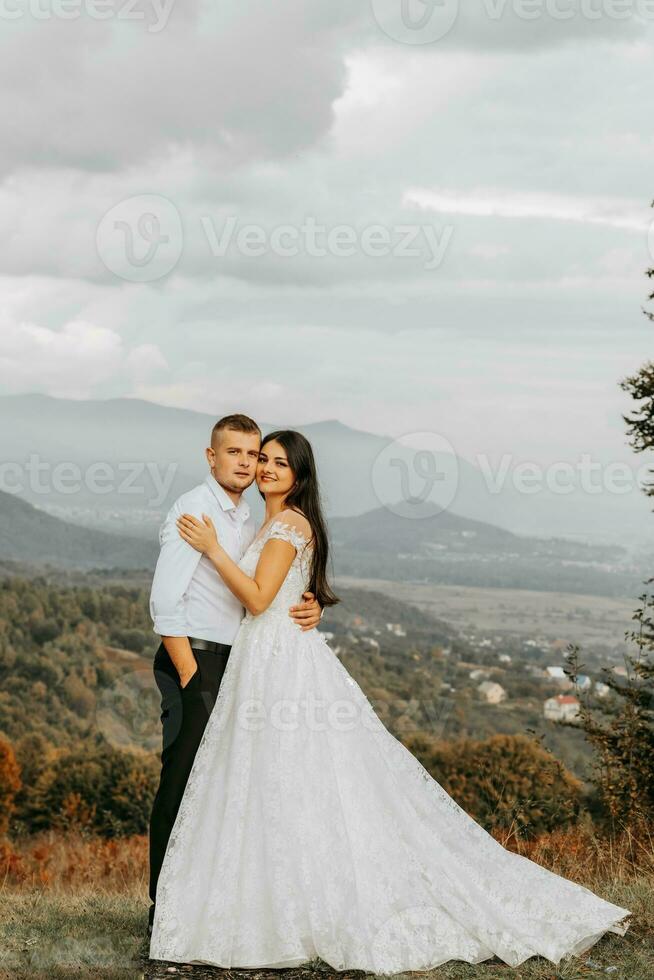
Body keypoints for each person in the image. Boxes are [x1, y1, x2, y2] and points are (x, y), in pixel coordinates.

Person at [149, 429, 629, 973]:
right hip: (258, 662)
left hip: (276, 664)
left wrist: (214, 550)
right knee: (270, 782)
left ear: (299, 475)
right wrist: (302, 604)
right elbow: (271, 593)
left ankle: (288, 907)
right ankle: (264, 900)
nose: (264, 469)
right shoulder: (266, 521)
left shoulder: (287, 522)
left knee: (284, 777)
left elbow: (259, 599)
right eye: (262, 459)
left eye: (278, 463)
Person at [146, 414, 322, 934]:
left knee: (219, 785)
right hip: (197, 660)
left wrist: (309, 604)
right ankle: (163, 910)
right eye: (240, 454)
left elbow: (267, 585)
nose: (249, 464)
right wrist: (187, 673)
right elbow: (163, 601)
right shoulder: (195, 511)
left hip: (241, 662)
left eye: (258, 455)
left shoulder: (249, 515)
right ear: (211, 456)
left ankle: (206, 902)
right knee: (180, 782)